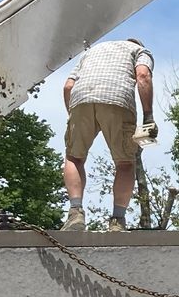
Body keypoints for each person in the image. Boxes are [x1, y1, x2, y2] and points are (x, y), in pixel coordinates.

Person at [62, 38, 157, 230]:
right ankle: (117, 221)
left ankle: (75, 213)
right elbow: (143, 75)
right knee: (124, 163)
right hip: (117, 99)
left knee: (74, 157)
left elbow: (68, 86)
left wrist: (73, 114)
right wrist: (148, 116)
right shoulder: (140, 51)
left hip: (81, 98)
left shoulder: (91, 52)